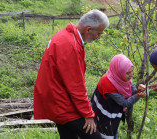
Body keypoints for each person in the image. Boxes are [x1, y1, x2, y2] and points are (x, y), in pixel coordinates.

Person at [33, 9, 109, 139]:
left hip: (57, 100)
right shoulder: (70, 45)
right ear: (89, 29)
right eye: (99, 33)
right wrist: (88, 115)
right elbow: (76, 86)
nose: (99, 37)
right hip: (62, 104)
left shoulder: (66, 36)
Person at [90, 54, 146, 139]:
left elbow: (131, 88)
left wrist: (138, 91)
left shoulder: (120, 77)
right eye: (128, 73)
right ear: (119, 71)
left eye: (132, 71)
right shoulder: (108, 84)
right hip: (104, 116)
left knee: (113, 131)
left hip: (112, 114)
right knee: (106, 134)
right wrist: (138, 96)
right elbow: (125, 102)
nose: (131, 75)